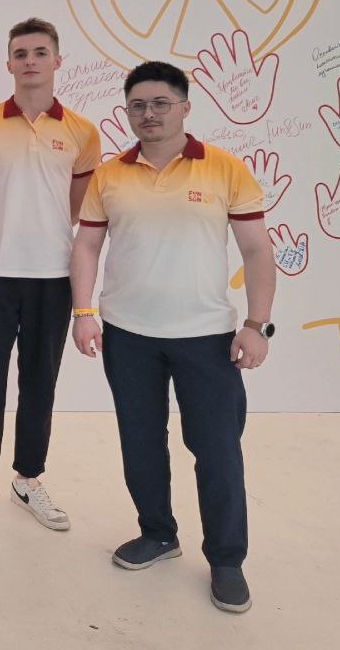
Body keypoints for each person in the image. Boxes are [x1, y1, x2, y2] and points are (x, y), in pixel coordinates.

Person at [69, 60, 276, 614]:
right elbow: (87, 245)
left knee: (216, 449)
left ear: (185, 106)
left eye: (161, 103)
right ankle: (158, 533)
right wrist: (84, 312)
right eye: (138, 105)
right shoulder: (110, 175)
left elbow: (257, 250)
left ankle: (226, 559)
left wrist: (256, 324)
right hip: (127, 335)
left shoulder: (225, 169)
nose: (149, 114)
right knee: (140, 441)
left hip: (206, 338)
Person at [0, 18, 101, 554]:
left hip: (53, 277)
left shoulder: (83, 132)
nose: (31, 61)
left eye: (41, 52)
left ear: (57, 61)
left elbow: (77, 207)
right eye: (21, 53)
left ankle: (28, 478)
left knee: (40, 382)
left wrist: (40, 239)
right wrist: (4, 240)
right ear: (9, 63)